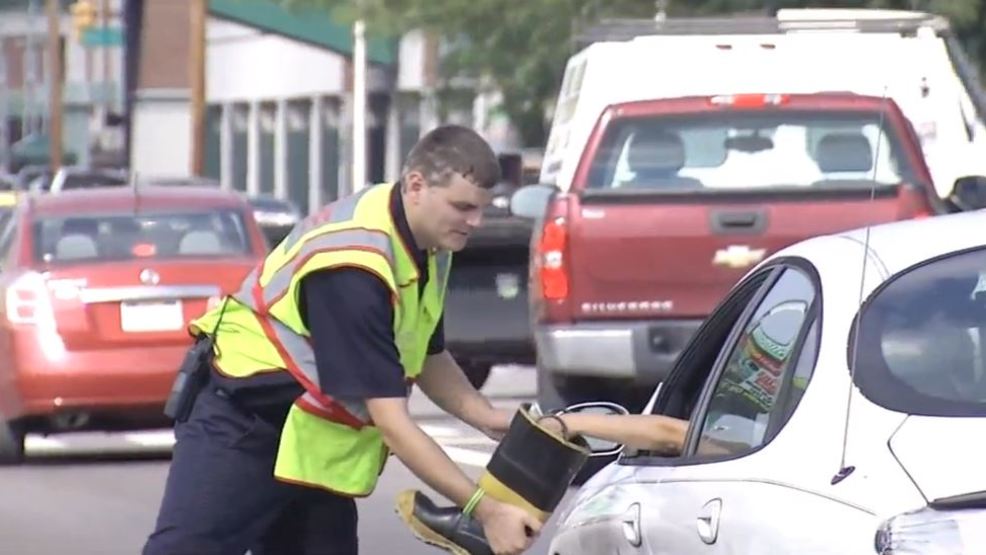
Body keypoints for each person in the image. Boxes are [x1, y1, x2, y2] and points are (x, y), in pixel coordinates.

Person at [143, 125, 541, 555]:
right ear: (416, 185)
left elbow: (425, 352)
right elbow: (393, 424)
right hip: (241, 425)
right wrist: (487, 512)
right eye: (463, 207)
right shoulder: (353, 267)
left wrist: (484, 415)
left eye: (481, 209)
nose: (475, 222)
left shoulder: (425, 240)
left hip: (310, 443)